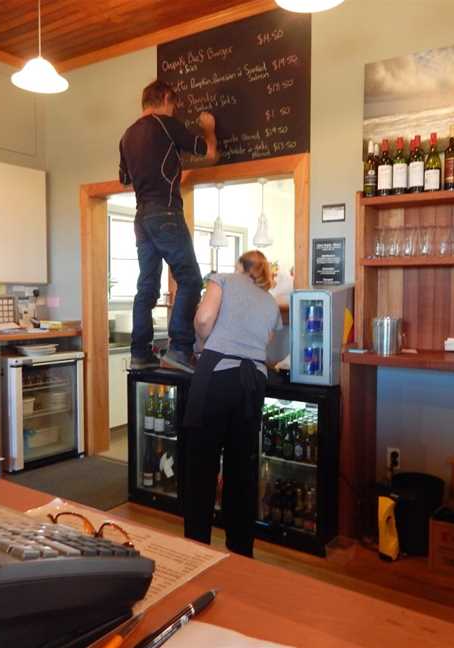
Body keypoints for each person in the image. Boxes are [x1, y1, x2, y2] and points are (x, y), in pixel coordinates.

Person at [182, 250, 286, 557]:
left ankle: (196, 548)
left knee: (201, 465)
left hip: (216, 372)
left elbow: (203, 319)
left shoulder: (223, 280)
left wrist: (202, 345)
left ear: (240, 267)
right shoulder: (269, 302)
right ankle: (241, 551)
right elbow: (272, 348)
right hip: (253, 381)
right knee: (242, 468)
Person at [119, 80, 218, 373]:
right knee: (190, 279)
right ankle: (179, 349)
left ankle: (139, 354)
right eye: (173, 104)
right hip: (165, 213)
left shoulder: (126, 136)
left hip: (141, 218)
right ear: (163, 98)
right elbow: (210, 154)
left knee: (146, 287)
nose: (174, 110)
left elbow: (125, 180)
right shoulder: (164, 124)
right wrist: (209, 128)